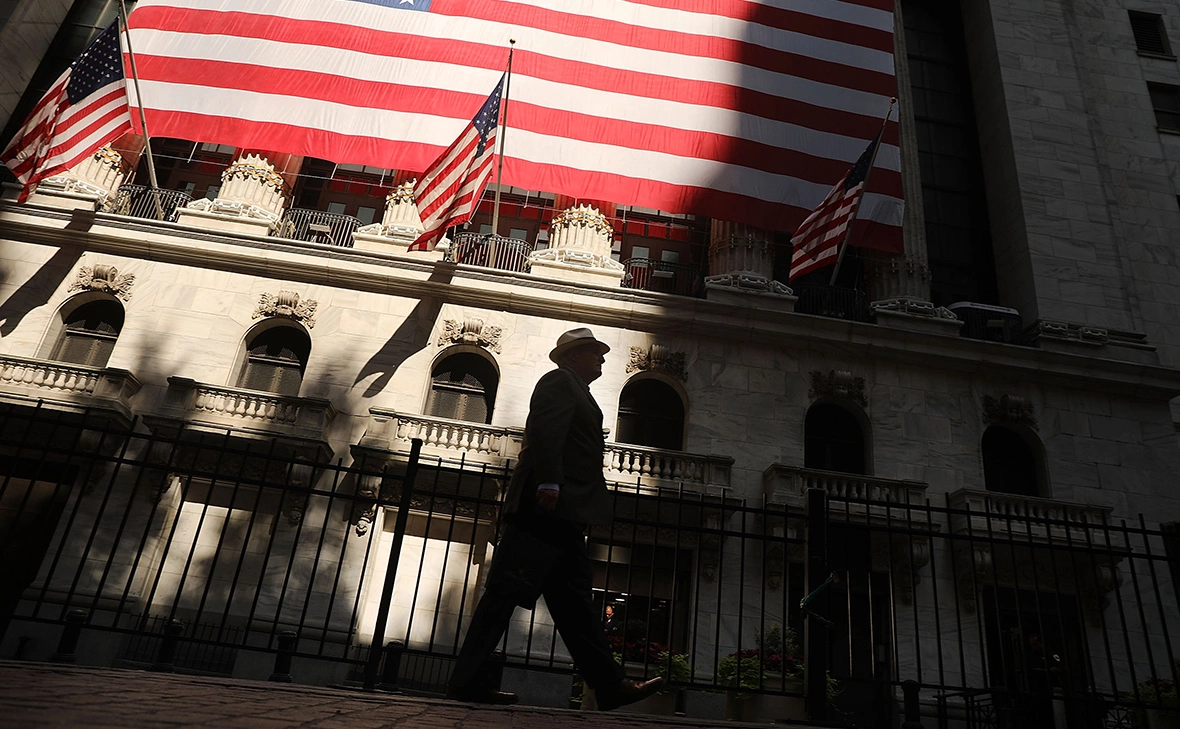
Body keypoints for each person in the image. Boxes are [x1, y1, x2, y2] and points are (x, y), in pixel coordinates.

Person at [446, 328, 665, 709]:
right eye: (594, 352)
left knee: (573, 603)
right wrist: (549, 481)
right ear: (573, 355)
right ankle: (467, 681)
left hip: (564, 513)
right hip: (545, 510)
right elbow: (546, 431)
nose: (601, 358)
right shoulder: (558, 380)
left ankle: (608, 685)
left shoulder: (579, 389)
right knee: (505, 594)